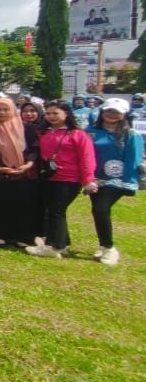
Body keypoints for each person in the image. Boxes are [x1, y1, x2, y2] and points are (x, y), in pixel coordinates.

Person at [26, 101, 95, 258]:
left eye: (55, 113)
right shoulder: (43, 132)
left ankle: (53, 246)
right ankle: (61, 244)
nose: (51, 117)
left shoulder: (78, 134)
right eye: (48, 113)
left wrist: (88, 180)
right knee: (54, 211)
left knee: (56, 211)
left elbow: (87, 158)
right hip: (49, 177)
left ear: (67, 114)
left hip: (69, 179)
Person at [85, 98, 142, 266]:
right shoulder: (91, 131)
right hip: (95, 179)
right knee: (99, 212)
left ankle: (109, 248)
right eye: (108, 111)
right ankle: (104, 246)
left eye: (116, 112)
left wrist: (129, 183)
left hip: (117, 180)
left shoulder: (130, 135)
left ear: (124, 114)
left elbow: (133, 159)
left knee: (100, 209)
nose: (111, 114)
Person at [0, 97, 41, 247]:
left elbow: (35, 149)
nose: (2, 112)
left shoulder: (27, 128)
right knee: (1, 205)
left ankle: (22, 237)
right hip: (0, 174)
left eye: (6, 109)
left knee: (23, 206)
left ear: (13, 110)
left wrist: (28, 164)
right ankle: (1, 236)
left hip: (24, 173)